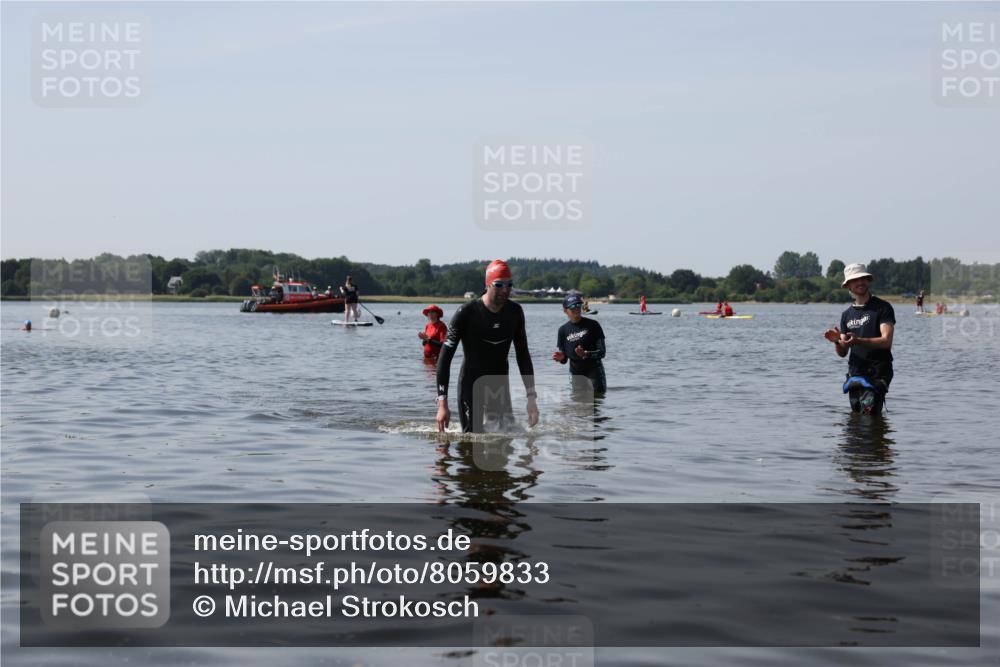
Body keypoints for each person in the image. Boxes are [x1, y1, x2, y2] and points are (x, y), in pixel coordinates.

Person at [435, 260, 538, 433]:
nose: (505, 290)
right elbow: (444, 360)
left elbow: (523, 356)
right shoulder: (466, 313)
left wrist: (531, 399)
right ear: (488, 284)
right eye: (499, 285)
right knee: (471, 442)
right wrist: (442, 404)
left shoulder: (515, 312)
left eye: (509, 285)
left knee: (504, 444)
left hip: (499, 385)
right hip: (471, 383)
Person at [823, 263, 895, 415]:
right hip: (855, 374)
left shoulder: (882, 307)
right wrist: (837, 341)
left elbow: (886, 341)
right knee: (855, 421)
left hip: (878, 372)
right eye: (855, 280)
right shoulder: (846, 315)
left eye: (863, 278)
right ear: (848, 285)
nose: (860, 282)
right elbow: (843, 352)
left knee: (868, 418)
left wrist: (858, 341)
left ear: (868, 281)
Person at [552, 293, 607, 394]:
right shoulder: (563, 330)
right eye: (572, 306)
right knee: (577, 405)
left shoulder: (593, 325)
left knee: (595, 404)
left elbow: (602, 353)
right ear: (565, 310)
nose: (576, 308)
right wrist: (562, 358)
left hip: (594, 373)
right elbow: (565, 359)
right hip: (576, 374)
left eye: (578, 305)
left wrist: (586, 354)